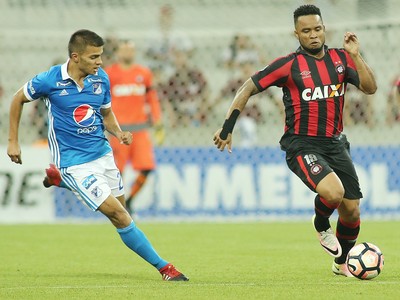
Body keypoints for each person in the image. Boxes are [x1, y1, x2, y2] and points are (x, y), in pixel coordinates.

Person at [7, 29, 188, 281]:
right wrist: (13, 141)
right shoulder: (50, 80)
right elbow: (17, 99)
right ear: (76, 56)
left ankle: (59, 181)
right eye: (94, 57)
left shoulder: (100, 78)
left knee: (122, 214)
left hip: (103, 156)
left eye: (101, 55)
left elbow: (105, 113)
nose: (100, 62)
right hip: (73, 163)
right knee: (119, 215)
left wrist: (119, 133)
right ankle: (165, 268)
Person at [213, 5, 377, 277]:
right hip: (302, 145)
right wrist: (228, 126)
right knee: (333, 193)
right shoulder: (288, 65)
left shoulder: (341, 59)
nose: (313, 35)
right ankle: (321, 223)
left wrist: (356, 56)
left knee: (351, 210)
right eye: (306, 31)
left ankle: (342, 264)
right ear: (296, 33)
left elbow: (370, 88)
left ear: (324, 29)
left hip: (335, 144)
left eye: (317, 29)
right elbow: (247, 87)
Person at [105, 40, 165, 214]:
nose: (128, 53)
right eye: (124, 50)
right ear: (117, 52)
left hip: (140, 130)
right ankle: (119, 206)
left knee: (146, 168)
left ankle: (129, 201)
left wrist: (157, 120)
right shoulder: (110, 74)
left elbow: (151, 98)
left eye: (131, 50)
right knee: (118, 172)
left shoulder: (143, 73)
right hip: (119, 131)